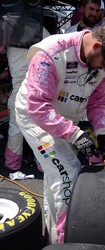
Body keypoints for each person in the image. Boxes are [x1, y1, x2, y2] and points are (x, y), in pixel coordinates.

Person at [15, 23, 105, 244]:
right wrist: (75, 135)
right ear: (97, 46)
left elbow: (98, 102)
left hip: (63, 120)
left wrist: (102, 132)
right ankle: (63, 245)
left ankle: (49, 239)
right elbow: (38, 107)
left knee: (56, 179)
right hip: (35, 119)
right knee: (68, 175)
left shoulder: (103, 63)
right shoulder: (52, 53)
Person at [65, 0, 105, 156]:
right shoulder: (69, 31)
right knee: (73, 115)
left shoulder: (103, 30)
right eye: (91, 9)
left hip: (100, 79)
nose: (93, 13)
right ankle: (78, 152)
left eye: (97, 10)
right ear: (82, 8)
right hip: (72, 81)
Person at [3, 26, 50, 171]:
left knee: (16, 128)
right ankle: (44, 164)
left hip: (19, 93)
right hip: (37, 92)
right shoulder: (41, 30)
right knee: (40, 129)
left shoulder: (8, 28)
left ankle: (12, 164)